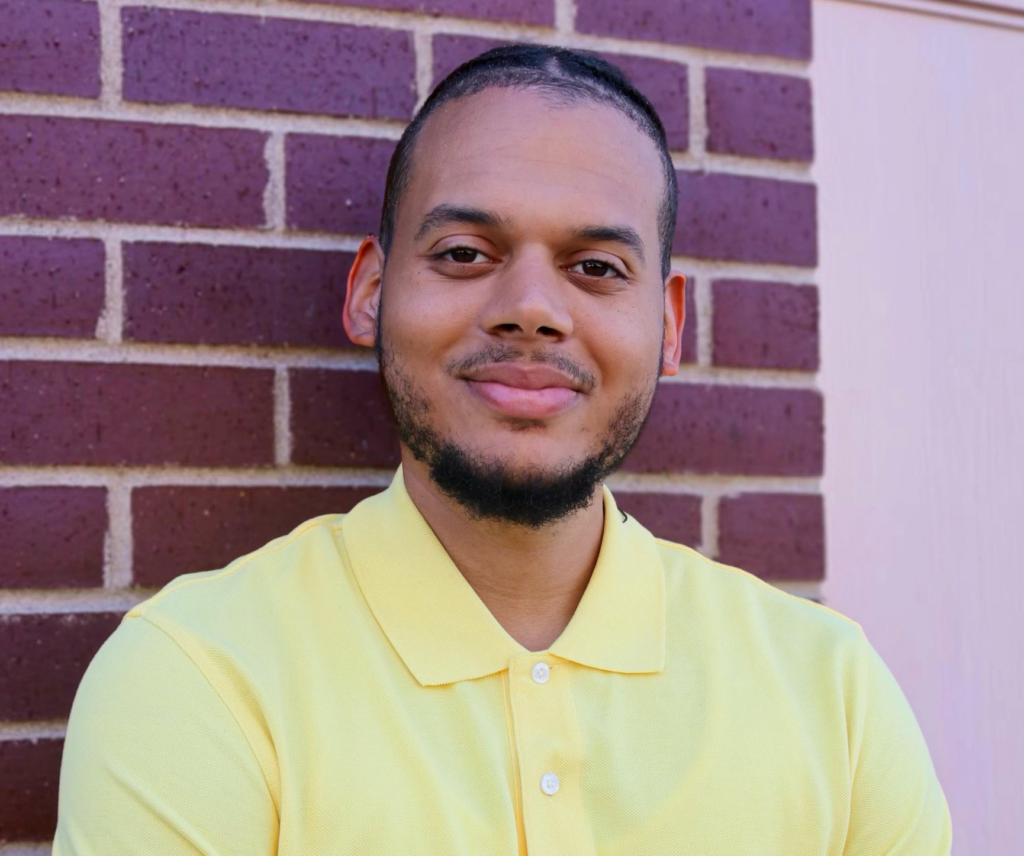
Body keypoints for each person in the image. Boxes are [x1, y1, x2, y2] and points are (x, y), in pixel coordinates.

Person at [54, 45, 951, 854]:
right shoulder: (201, 680)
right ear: (371, 291)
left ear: (669, 325)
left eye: (596, 267)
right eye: (464, 252)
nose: (532, 307)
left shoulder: (835, 696)